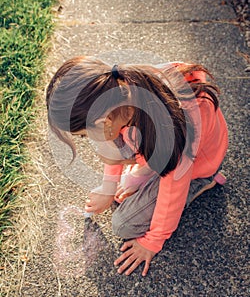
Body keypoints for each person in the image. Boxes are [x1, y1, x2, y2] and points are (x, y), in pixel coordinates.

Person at [46, 56, 228, 277]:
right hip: (163, 150)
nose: (88, 140)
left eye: (84, 135)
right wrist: (108, 187)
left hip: (194, 164)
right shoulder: (120, 92)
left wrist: (153, 241)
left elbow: (173, 189)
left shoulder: (169, 129)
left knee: (123, 225)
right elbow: (112, 142)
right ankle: (150, 166)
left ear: (104, 121)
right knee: (122, 182)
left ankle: (203, 182)